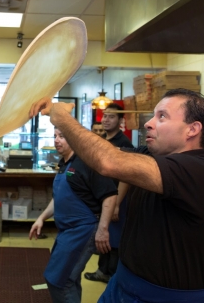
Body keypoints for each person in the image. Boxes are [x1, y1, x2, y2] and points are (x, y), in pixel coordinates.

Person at [29, 89, 204, 302]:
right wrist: (60, 119)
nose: (148, 123)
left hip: (165, 297)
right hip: (123, 283)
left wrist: (65, 120)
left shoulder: (202, 171)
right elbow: (100, 154)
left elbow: (108, 161)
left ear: (193, 129)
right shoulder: (150, 156)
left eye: (162, 116)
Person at [29, 127, 117, 303]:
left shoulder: (87, 163)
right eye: (55, 136)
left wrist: (103, 229)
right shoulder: (65, 164)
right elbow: (59, 197)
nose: (56, 140)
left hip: (83, 230)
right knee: (69, 278)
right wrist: (42, 217)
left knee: (61, 281)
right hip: (67, 231)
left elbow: (110, 195)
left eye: (62, 136)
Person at [85, 103, 134, 283]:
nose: (106, 120)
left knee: (113, 241)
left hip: (116, 199)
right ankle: (102, 270)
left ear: (121, 121)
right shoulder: (104, 140)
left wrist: (117, 205)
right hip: (104, 197)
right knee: (104, 237)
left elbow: (126, 177)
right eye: (104, 116)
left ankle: (111, 276)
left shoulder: (124, 144)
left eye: (111, 116)